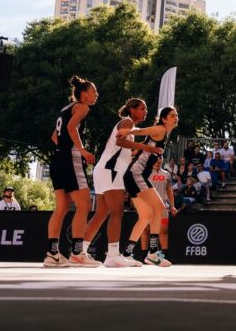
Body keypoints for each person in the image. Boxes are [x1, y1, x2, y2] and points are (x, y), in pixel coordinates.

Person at [84, 98, 154, 267]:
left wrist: (142, 147)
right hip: (111, 170)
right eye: (142, 108)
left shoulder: (129, 125)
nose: (145, 111)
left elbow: (125, 150)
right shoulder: (128, 121)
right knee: (117, 212)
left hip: (103, 170)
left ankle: (79, 251)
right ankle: (113, 255)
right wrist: (147, 148)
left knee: (102, 213)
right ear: (132, 109)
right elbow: (120, 141)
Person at [45, 75, 101, 268]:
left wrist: (67, 147)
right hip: (70, 159)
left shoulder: (65, 109)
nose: (96, 94)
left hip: (57, 159)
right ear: (84, 94)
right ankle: (77, 253)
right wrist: (82, 150)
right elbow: (70, 127)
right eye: (94, 91)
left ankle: (52, 253)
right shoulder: (82, 107)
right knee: (84, 205)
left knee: (61, 208)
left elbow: (55, 136)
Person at [119, 106, 179, 267]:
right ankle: (152, 253)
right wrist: (128, 132)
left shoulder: (164, 133)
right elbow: (142, 130)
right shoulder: (160, 129)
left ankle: (126, 254)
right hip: (135, 174)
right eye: (172, 115)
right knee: (159, 208)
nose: (176, 117)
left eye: (176, 115)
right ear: (164, 119)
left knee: (145, 217)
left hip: (134, 176)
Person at [140, 158, 178, 258]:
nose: (158, 161)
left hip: (163, 205)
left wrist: (172, 206)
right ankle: (144, 256)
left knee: (163, 230)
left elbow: (170, 191)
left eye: (160, 159)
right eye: (156, 159)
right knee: (146, 230)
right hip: (148, 205)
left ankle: (164, 256)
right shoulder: (144, 172)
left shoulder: (167, 174)